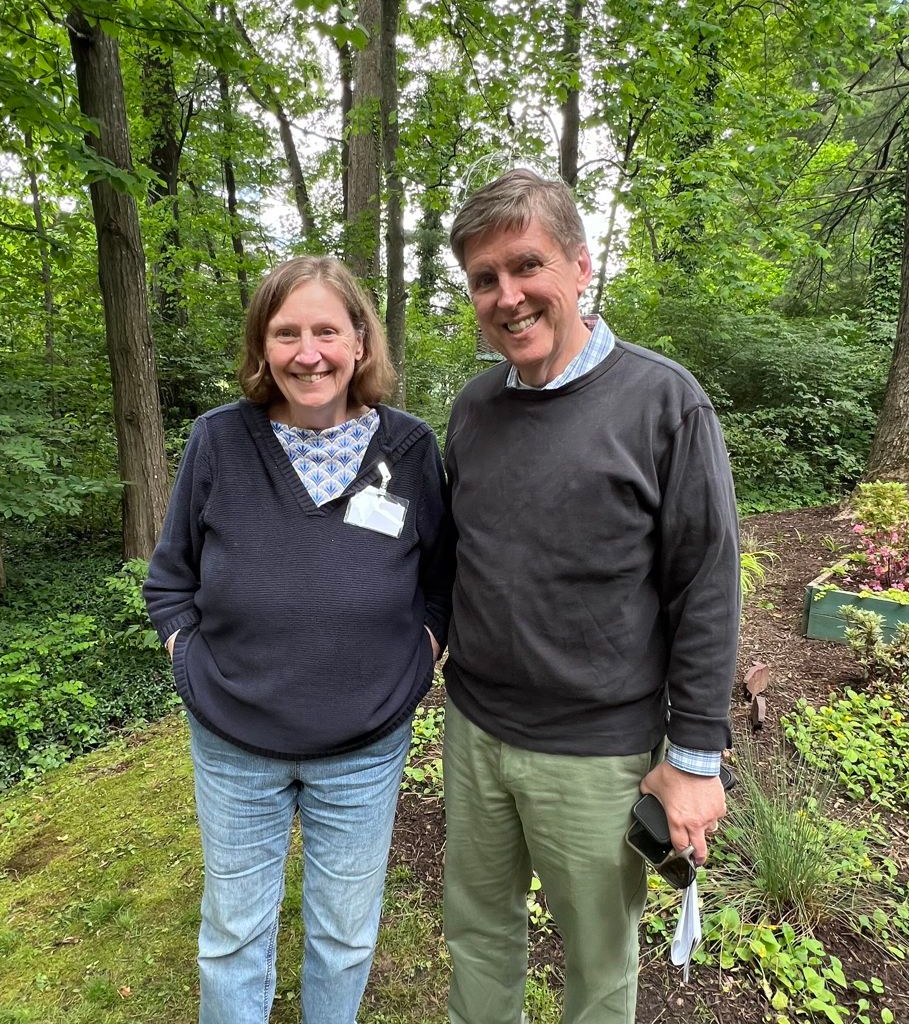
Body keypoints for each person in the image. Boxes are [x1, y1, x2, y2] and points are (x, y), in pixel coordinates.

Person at [441, 169, 740, 1024]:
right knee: (479, 932)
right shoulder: (474, 408)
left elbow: (707, 585)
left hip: (598, 753)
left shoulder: (662, 402)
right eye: (485, 280)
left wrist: (694, 760)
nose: (509, 296)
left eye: (526, 266)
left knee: (600, 959)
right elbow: (459, 558)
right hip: (475, 733)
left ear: (580, 266)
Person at [143, 256, 451, 1024]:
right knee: (234, 932)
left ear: (358, 343)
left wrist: (422, 655)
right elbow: (170, 575)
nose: (306, 352)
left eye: (325, 330)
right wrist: (186, 654)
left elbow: (443, 579)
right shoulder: (218, 441)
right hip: (233, 741)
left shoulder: (410, 451)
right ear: (262, 346)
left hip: (365, 745)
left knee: (344, 936)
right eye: (286, 333)